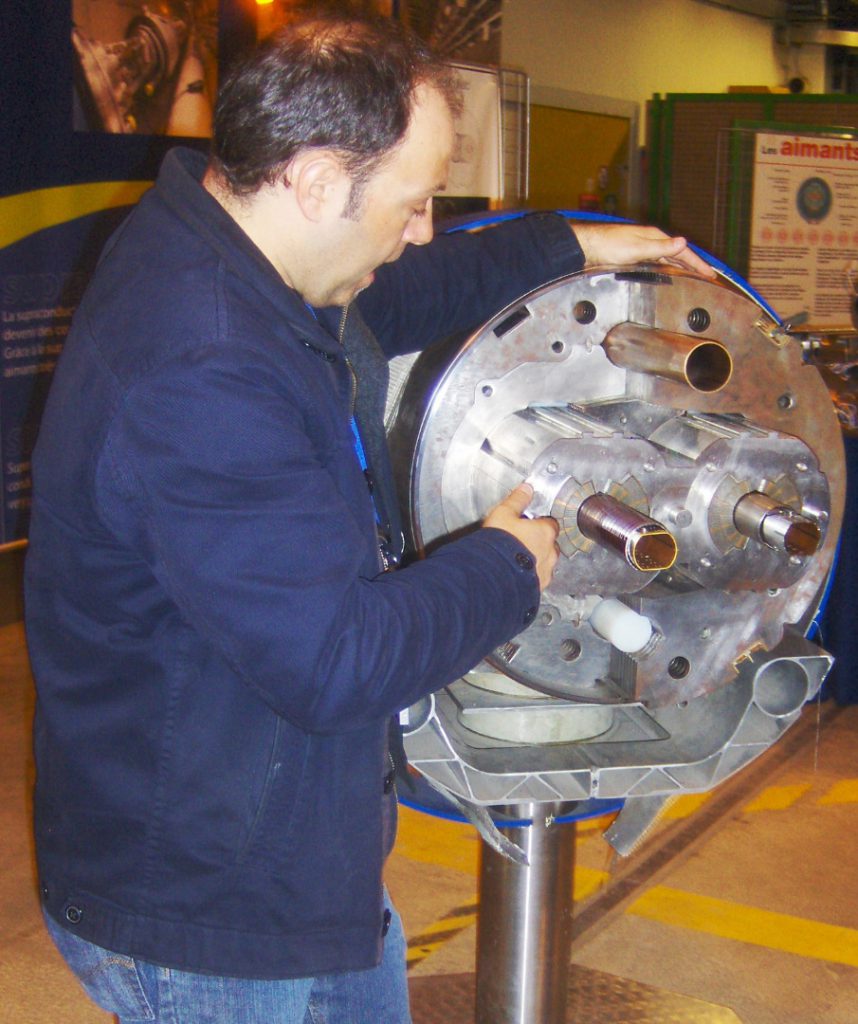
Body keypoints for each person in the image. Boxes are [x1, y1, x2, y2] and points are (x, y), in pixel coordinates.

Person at [25, 12, 713, 1024]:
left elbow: (395, 298)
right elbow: (335, 660)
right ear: (311, 181)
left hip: (299, 856)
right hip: (210, 910)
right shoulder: (204, 363)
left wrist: (569, 242)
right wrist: (511, 561)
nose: (427, 225)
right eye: (416, 198)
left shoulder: (231, 251)